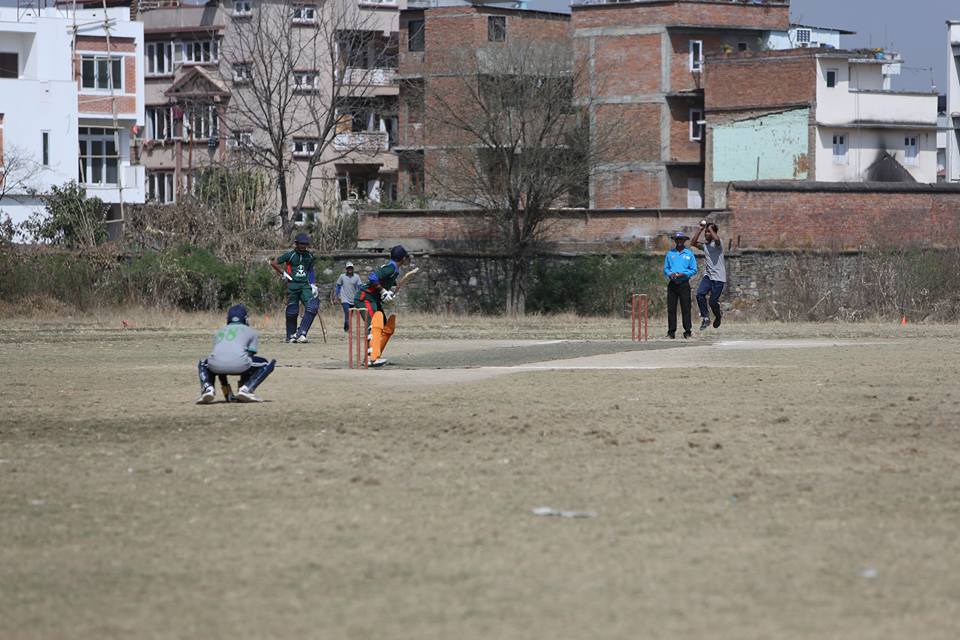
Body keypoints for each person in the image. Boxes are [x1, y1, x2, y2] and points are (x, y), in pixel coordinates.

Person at [197, 304, 276, 404]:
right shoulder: (252, 332)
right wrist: (243, 384)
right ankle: (246, 389)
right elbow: (248, 357)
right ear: (245, 319)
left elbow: (221, 358)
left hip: (215, 365)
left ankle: (208, 388)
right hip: (240, 364)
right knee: (266, 364)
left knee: (203, 363)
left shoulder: (218, 332)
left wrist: (226, 392)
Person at [355, 245, 410, 367]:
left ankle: (374, 355)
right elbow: (372, 278)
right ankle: (372, 359)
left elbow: (384, 283)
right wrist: (383, 291)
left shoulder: (394, 270)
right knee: (374, 325)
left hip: (374, 299)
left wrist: (388, 293)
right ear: (403, 258)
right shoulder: (391, 268)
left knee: (386, 328)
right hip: (365, 298)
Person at [270, 232, 319, 343]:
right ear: (296, 243)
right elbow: (274, 263)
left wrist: (313, 284)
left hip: (305, 285)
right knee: (292, 310)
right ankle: (290, 336)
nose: (304, 246)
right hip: (293, 285)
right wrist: (283, 273)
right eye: (301, 244)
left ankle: (301, 333)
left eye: (305, 244)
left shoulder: (310, 256)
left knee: (313, 306)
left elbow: (311, 270)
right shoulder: (290, 255)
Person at [689, 220, 726, 331]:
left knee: (713, 302)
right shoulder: (705, 246)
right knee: (700, 294)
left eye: (708, 232)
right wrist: (700, 230)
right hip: (708, 276)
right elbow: (693, 243)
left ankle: (718, 316)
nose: (706, 234)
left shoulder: (719, 244)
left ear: (714, 232)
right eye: (706, 232)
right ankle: (705, 318)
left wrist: (710, 228)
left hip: (719, 277)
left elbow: (717, 239)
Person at [663, 231, 697, 339]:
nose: (679, 242)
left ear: (684, 241)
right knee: (671, 309)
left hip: (684, 283)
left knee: (686, 308)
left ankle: (687, 331)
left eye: (681, 240)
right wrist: (670, 274)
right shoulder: (670, 254)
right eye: (677, 240)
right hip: (673, 283)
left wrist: (684, 274)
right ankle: (671, 332)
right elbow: (666, 268)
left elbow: (694, 269)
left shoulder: (689, 254)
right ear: (675, 241)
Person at [334, 261, 362, 332]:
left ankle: (346, 328)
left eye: (351, 268)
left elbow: (360, 287)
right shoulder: (342, 276)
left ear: (353, 269)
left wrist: (360, 297)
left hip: (353, 298)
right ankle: (348, 329)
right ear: (346, 269)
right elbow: (338, 286)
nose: (350, 269)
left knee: (350, 315)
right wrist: (336, 296)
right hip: (344, 298)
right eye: (348, 268)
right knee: (347, 313)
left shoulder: (356, 277)